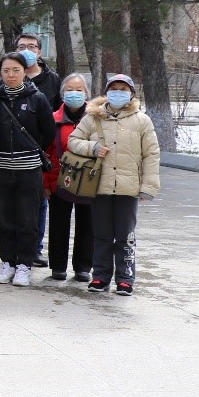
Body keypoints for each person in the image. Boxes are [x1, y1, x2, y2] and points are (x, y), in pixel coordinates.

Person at [68, 74, 160, 295]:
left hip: (129, 188)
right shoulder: (92, 118)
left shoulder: (142, 120)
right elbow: (73, 141)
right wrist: (92, 148)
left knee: (125, 236)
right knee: (101, 235)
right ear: (107, 92)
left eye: (123, 89)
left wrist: (148, 186)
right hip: (99, 185)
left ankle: (125, 278)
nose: (118, 92)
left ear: (131, 93)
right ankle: (100, 276)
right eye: (114, 88)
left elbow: (151, 154)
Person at [0, 52, 55, 287]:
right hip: (0, 168)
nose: (11, 75)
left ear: (25, 72)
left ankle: (24, 264)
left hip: (29, 169)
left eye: (16, 70)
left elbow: (48, 132)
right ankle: (7, 262)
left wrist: (28, 150)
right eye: (6, 70)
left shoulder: (37, 98)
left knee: (28, 220)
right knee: (4, 220)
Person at [16, 32, 61, 267]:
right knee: (14, 203)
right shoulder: (10, 76)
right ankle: (14, 248)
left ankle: (35, 248)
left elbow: (58, 113)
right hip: (13, 149)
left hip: (43, 148)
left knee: (39, 201)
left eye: (31, 47)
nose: (27, 50)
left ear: (40, 52)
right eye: (21, 47)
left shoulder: (53, 79)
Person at [44, 74, 94, 283]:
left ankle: (83, 267)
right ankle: (58, 266)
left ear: (86, 93)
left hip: (89, 180)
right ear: (63, 93)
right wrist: (46, 182)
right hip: (59, 179)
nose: (74, 93)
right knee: (58, 224)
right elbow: (46, 153)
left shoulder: (96, 119)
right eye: (70, 89)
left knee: (87, 224)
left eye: (79, 89)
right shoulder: (52, 119)